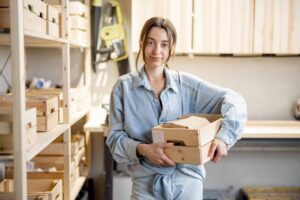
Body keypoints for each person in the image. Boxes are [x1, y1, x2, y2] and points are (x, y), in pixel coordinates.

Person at [106, 17, 247, 200]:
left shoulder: (185, 85)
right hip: (146, 185)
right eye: (151, 43)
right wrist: (143, 149)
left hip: (187, 182)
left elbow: (235, 100)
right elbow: (114, 139)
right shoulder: (123, 88)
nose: (157, 51)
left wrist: (224, 138)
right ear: (141, 43)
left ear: (172, 48)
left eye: (164, 45)